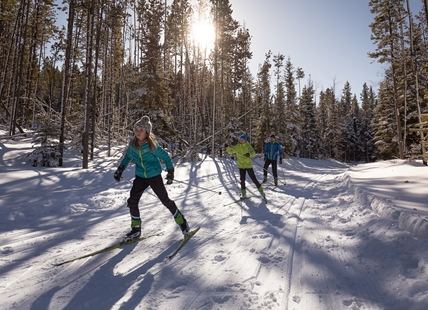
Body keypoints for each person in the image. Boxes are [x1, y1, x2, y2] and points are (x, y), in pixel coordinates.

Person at [114, 116, 189, 241]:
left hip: (154, 176)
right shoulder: (133, 145)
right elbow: (127, 157)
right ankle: (136, 229)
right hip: (140, 176)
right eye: (136, 129)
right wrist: (120, 169)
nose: (138, 132)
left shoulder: (152, 146)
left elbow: (166, 157)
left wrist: (170, 171)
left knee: (165, 200)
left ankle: (182, 222)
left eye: (141, 130)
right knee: (132, 201)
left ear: (147, 132)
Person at [226, 134, 265, 199]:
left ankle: (261, 190)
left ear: (245, 140)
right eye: (240, 140)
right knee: (242, 180)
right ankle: (243, 193)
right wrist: (227, 147)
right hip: (241, 165)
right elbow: (230, 152)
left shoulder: (248, 146)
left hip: (248, 165)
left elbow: (253, 152)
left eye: (242, 140)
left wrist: (249, 154)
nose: (241, 141)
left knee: (253, 178)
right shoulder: (237, 146)